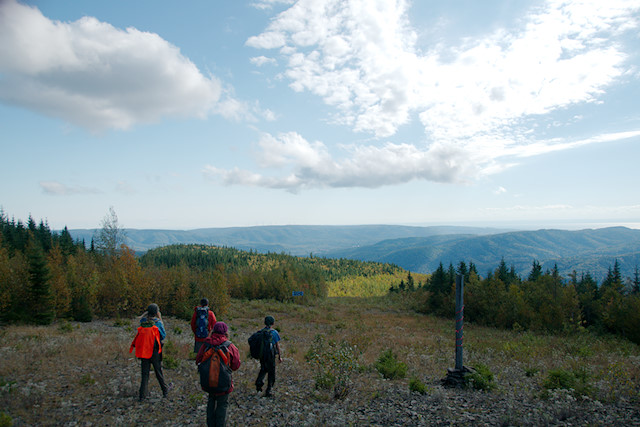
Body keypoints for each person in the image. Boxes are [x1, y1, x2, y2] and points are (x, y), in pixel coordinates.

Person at [196, 321, 241, 427]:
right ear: (226, 332)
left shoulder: (206, 344)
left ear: (213, 331)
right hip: (224, 383)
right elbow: (236, 365)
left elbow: (198, 359)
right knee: (222, 404)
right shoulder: (230, 346)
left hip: (208, 381)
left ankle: (210, 424)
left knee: (211, 401)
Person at [130, 303, 170, 401]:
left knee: (145, 374)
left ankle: (142, 395)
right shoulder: (158, 322)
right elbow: (163, 335)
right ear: (156, 312)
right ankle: (165, 391)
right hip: (155, 351)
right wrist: (161, 319)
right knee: (158, 371)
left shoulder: (143, 321)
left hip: (144, 351)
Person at [255, 315, 282, 397]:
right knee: (271, 372)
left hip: (263, 355)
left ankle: (259, 382)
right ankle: (269, 390)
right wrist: (280, 356)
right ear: (273, 323)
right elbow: (277, 346)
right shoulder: (274, 333)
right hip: (271, 355)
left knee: (263, 368)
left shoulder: (261, 332)